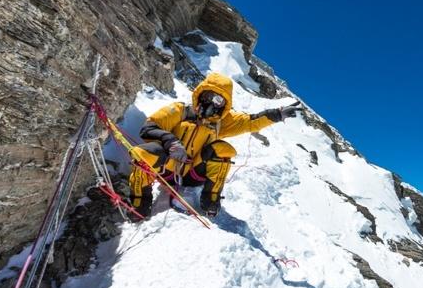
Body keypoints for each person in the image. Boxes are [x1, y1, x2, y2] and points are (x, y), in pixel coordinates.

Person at [126, 72, 301, 219]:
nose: (211, 102)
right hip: (166, 169)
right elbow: (149, 128)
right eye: (208, 95)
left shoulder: (222, 122)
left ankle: (210, 199)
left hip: (193, 173)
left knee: (223, 149)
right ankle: (139, 204)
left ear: (224, 104)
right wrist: (171, 141)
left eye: (218, 100)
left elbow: (250, 121)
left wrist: (277, 114)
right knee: (146, 153)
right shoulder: (179, 110)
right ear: (200, 94)